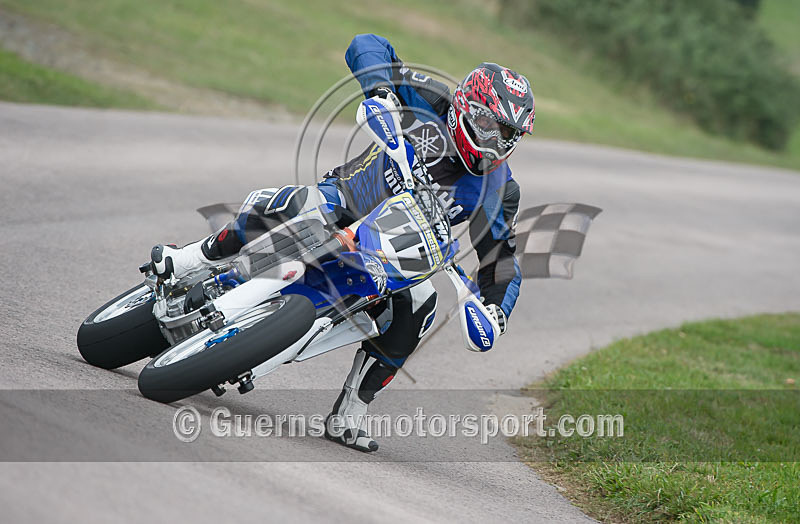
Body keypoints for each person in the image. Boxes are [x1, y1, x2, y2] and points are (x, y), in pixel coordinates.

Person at [150, 33, 535, 452]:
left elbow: (502, 259)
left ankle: (353, 410)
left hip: (394, 253)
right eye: (489, 125)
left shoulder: (501, 190)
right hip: (347, 199)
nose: (496, 141)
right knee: (296, 204)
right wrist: (381, 91)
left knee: (422, 308)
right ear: (464, 107)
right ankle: (194, 259)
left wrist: (496, 310)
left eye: (508, 134)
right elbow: (368, 45)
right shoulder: (429, 100)